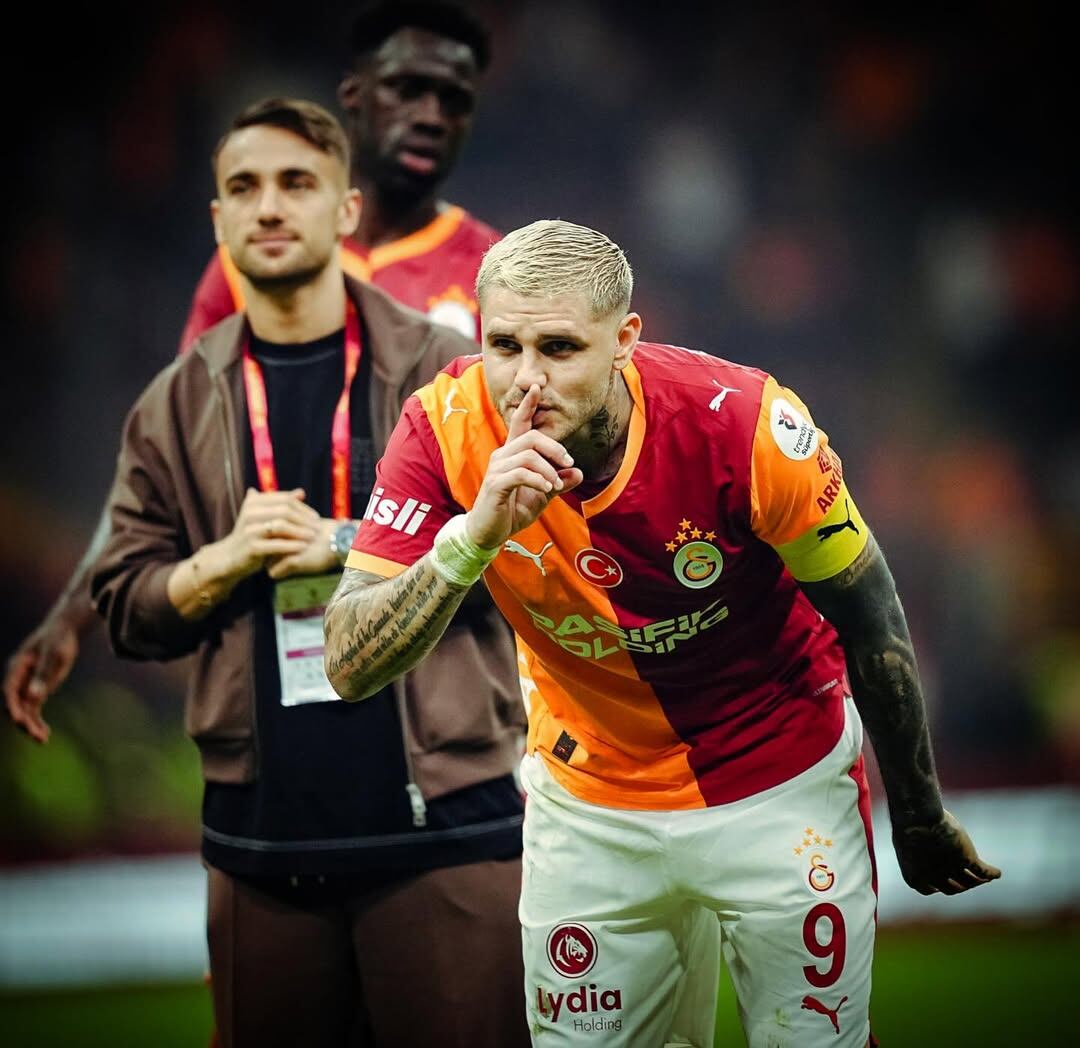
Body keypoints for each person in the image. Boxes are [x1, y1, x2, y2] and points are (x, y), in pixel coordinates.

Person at [323, 219, 1002, 1048]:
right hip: (590, 807)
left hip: (777, 783)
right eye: (504, 346)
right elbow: (347, 662)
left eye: (560, 348)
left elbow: (871, 616)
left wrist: (919, 814)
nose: (526, 380)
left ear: (624, 341)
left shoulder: (745, 424)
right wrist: (473, 538)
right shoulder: (442, 428)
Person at [91, 98, 528, 1048]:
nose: (269, 206)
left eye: (297, 183)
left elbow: (535, 557)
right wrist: (220, 562)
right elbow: (123, 602)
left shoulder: (448, 370)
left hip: (446, 833)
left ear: (347, 210)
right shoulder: (175, 403)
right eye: (244, 188)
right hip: (263, 850)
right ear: (219, 221)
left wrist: (344, 543)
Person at [4, 0, 499, 740]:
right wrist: (75, 612)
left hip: (437, 656)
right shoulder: (255, 262)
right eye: (407, 90)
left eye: (453, 100)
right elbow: (165, 459)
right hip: (273, 651)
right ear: (354, 97)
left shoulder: (495, 274)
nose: (430, 115)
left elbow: (516, 508)